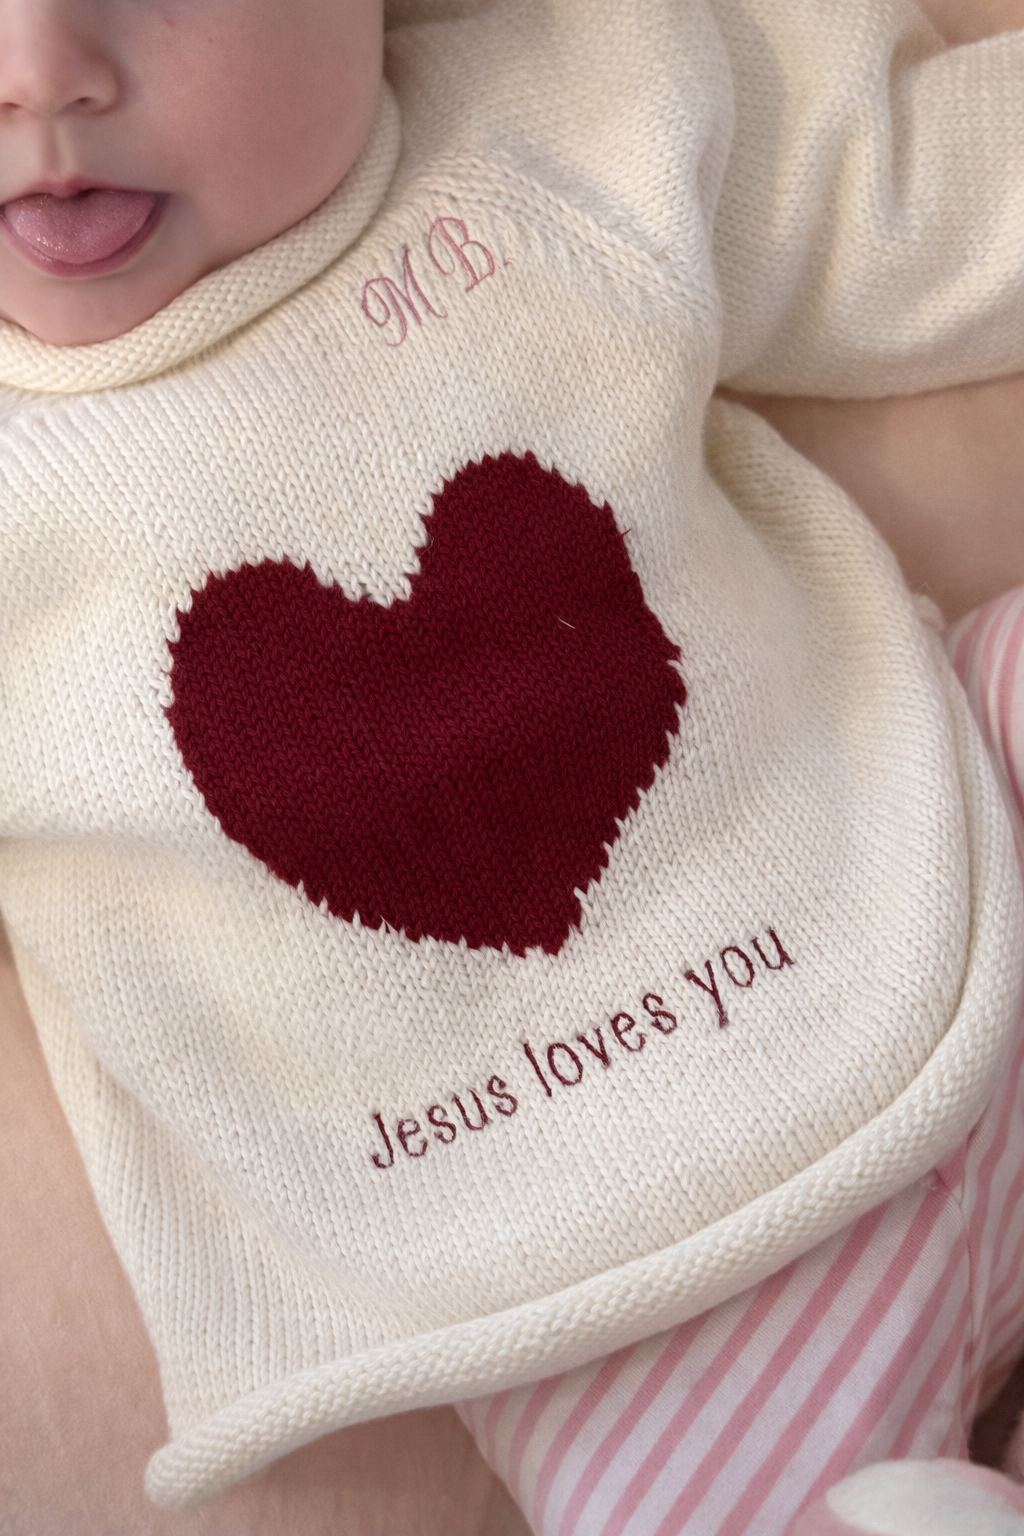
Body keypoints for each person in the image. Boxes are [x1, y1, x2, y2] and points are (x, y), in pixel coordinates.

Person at [2, 2, 1024, 1534]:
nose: (40, 72)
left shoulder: (571, 114)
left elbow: (923, 195)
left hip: (950, 854)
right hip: (609, 1307)